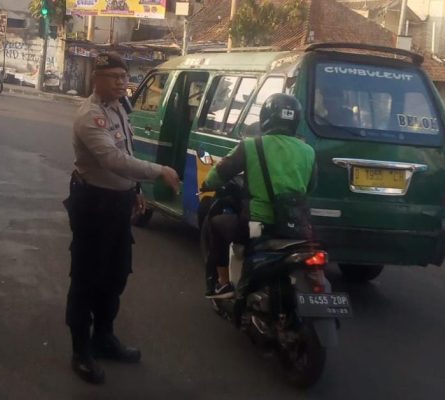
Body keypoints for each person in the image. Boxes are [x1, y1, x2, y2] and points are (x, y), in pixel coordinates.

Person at [65, 52, 181, 384]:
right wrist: (159, 171)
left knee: (115, 275)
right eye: (113, 76)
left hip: (117, 203)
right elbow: (113, 160)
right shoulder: (90, 116)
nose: (120, 82)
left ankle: (104, 338)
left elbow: (127, 151)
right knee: (86, 278)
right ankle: (80, 351)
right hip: (93, 205)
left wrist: (136, 190)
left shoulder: (119, 107)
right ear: (95, 78)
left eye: (123, 76)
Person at [200, 94, 317, 299]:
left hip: (258, 225)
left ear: (265, 117)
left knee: (216, 223)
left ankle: (223, 283)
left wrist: (207, 184)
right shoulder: (308, 151)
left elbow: (220, 173)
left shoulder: (251, 146)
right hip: (298, 227)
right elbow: (312, 186)